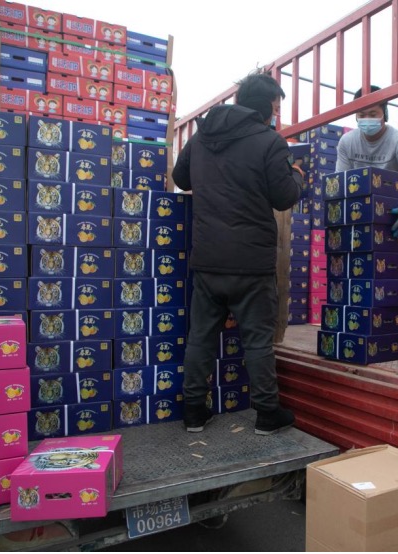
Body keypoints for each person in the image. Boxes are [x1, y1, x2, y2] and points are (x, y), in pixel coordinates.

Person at [172, 72, 305, 436]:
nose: (276, 115)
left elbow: (181, 178)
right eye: (275, 108)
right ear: (264, 108)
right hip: (251, 263)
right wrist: (296, 175)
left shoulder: (201, 136)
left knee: (201, 337)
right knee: (257, 340)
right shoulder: (270, 141)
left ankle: (193, 412)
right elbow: (284, 197)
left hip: (208, 260)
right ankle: (267, 413)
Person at [336, 85, 398, 238]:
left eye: (373, 114)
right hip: (357, 210)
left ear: (385, 113)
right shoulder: (347, 142)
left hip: (391, 212)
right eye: (362, 115)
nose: (367, 119)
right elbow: (340, 180)